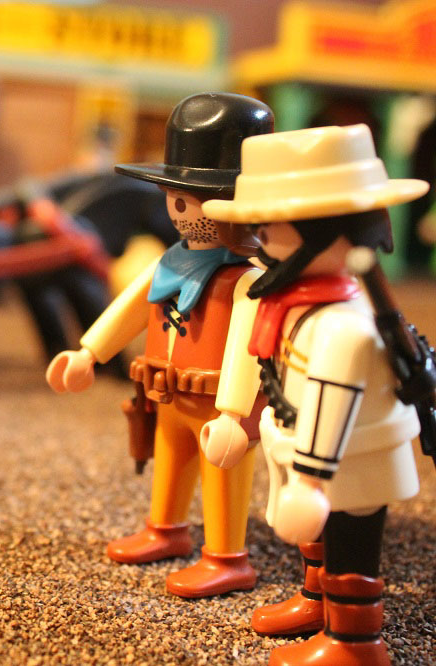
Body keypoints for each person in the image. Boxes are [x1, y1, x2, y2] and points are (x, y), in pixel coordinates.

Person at [201, 124, 427, 665]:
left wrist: (310, 479)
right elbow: (266, 363)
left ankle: (354, 641)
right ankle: (315, 601)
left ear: (326, 231)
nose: (257, 239)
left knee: (351, 545)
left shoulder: (344, 325)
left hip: (351, 455)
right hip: (302, 442)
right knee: (320, 538)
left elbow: (332, 396)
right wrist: (236, 416)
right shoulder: (287, 302)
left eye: (267, 227)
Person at [47, 93, 272, 598]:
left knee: (222, 474)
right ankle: (166, 529)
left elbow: (248, 347)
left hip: (218, 404)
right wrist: (89, 353)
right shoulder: (170, 262)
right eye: (175, 197)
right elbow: (129, 307)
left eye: (191, 198)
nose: (178, 209)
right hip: (166, 392)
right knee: (169, 460)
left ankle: (227, 556)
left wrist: (236, 412)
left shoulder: (246, 279)